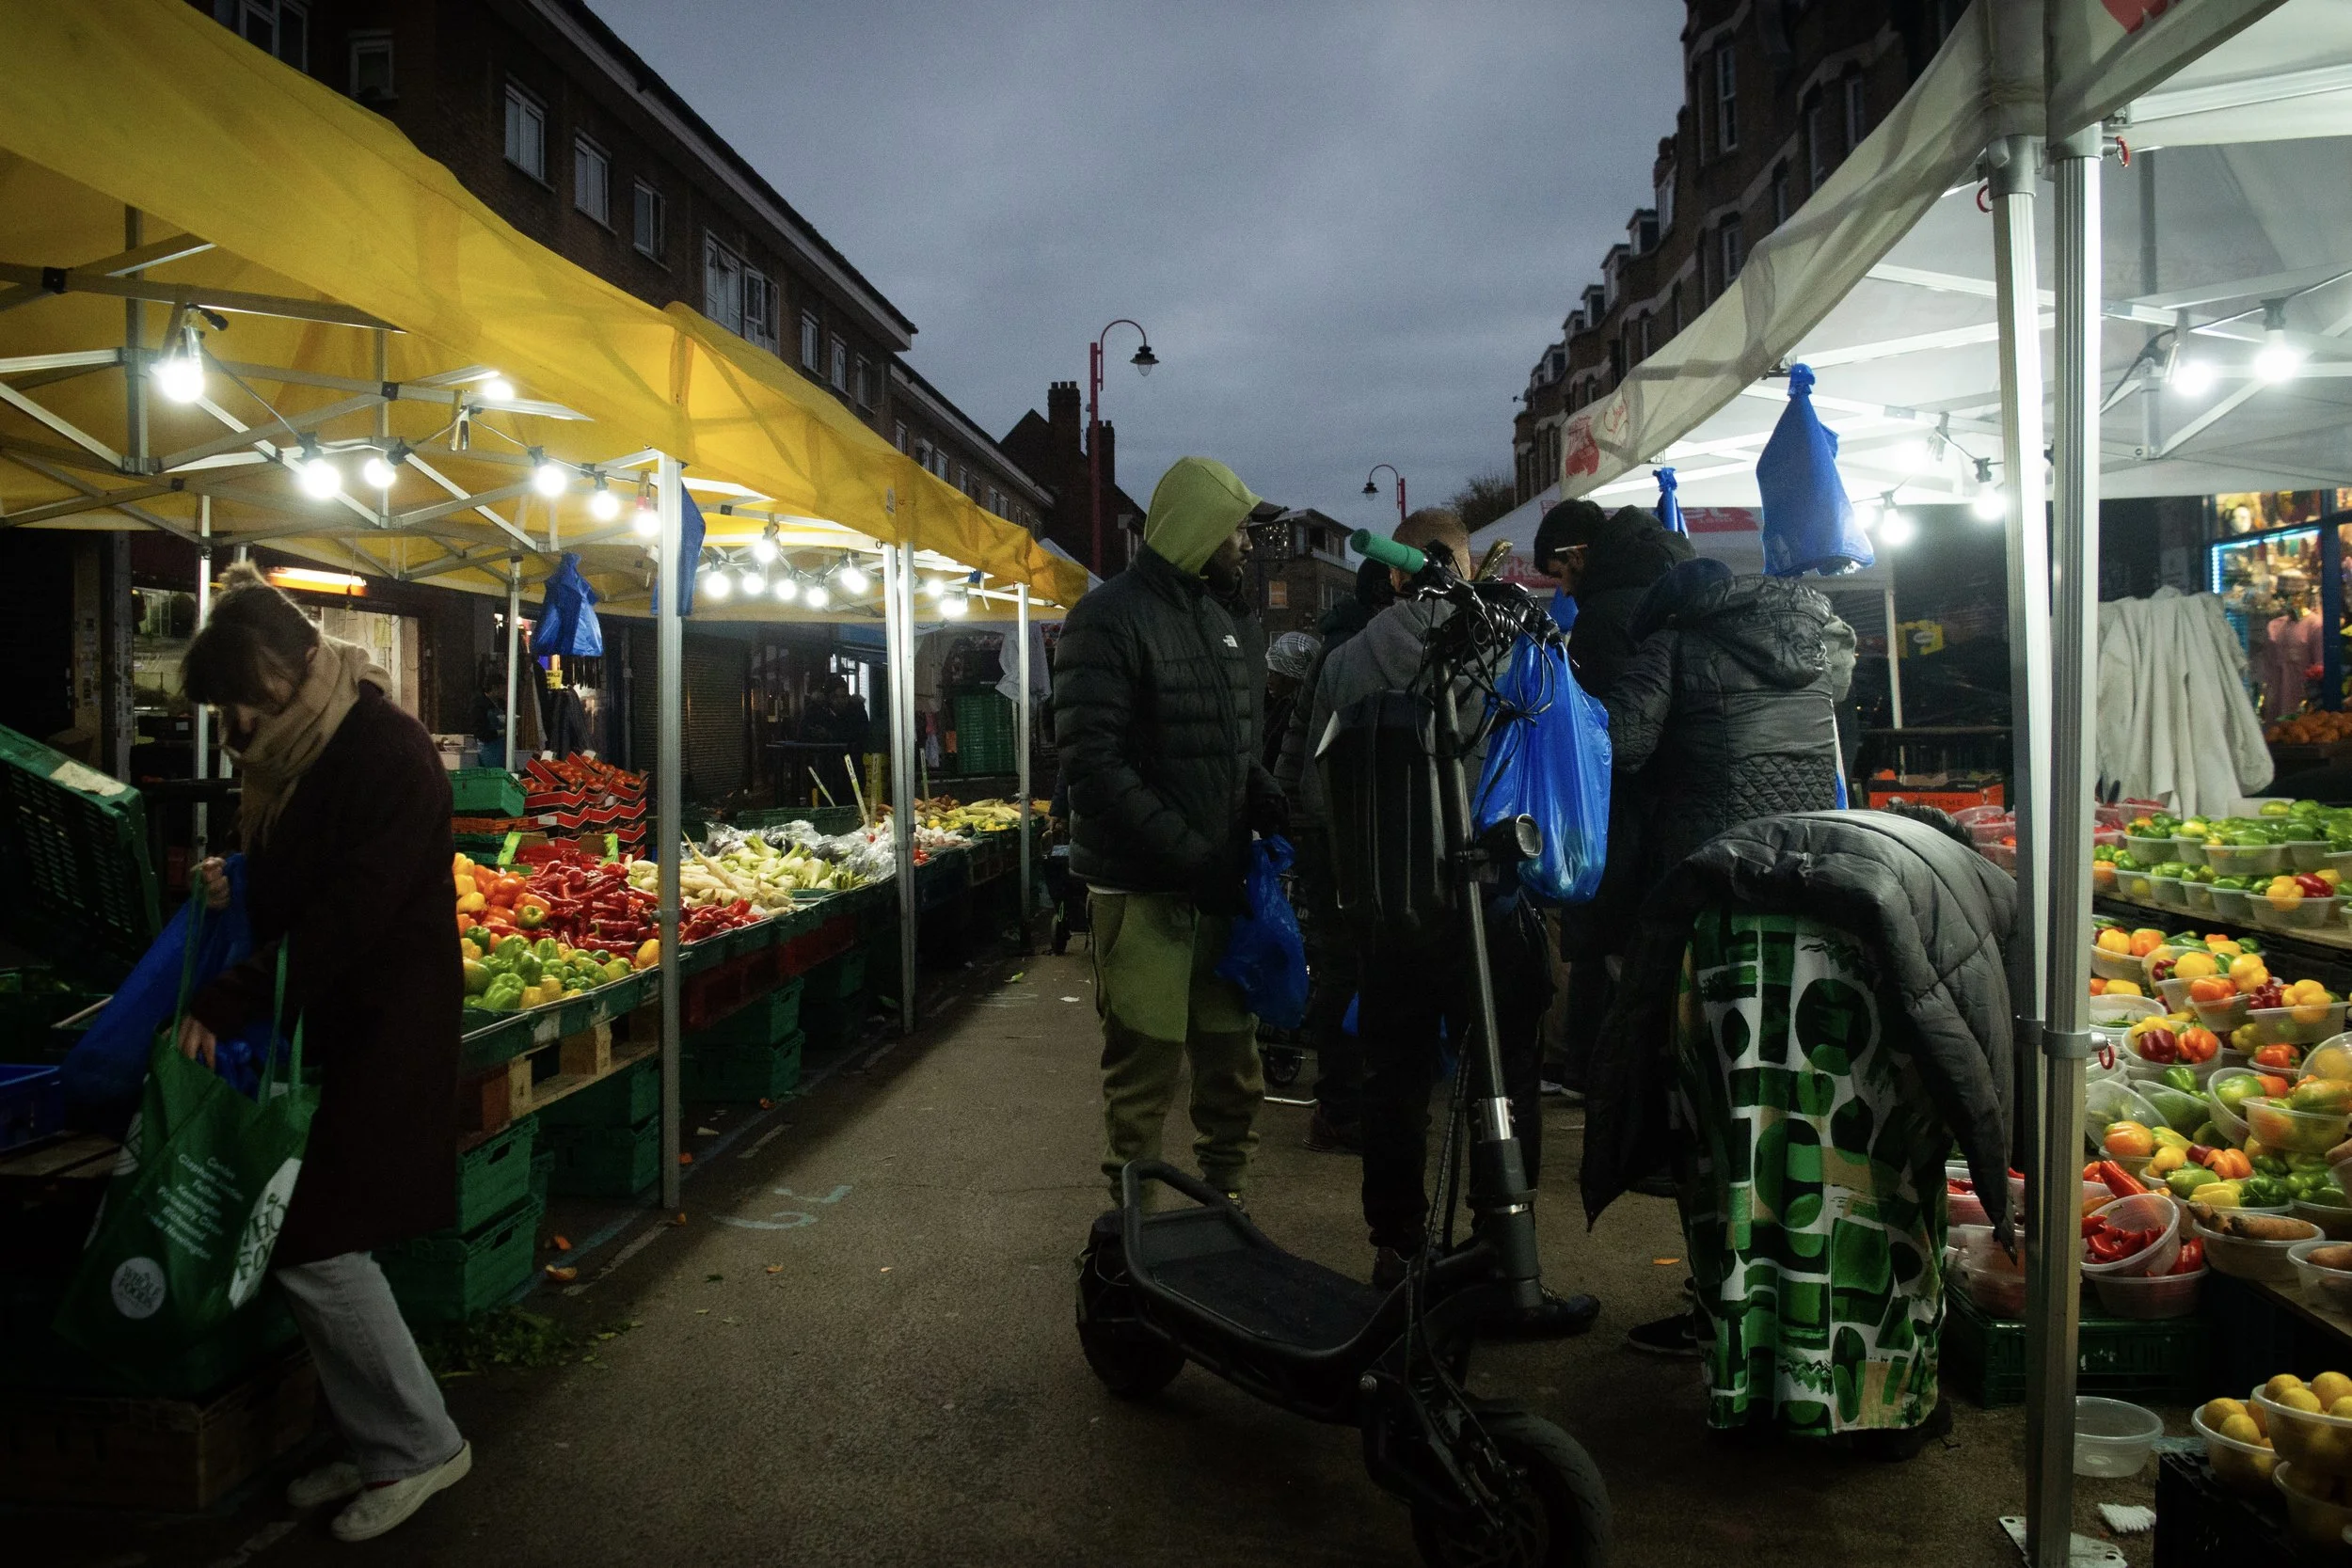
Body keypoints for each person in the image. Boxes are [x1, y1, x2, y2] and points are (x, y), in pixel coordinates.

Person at [175, 563, 469, 1542]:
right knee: (330, 1233)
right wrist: (243, 878)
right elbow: (309, 871)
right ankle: (378, 1428)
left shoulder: (384, 749)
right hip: (326, 1022)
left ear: (300, 663)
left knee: (313, 1236)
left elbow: (352, 909)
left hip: (387, 1018)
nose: (242, 721)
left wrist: (231, 992)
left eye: (249, 694)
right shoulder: (299, 754)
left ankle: (419, 1443)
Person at [1581, 804, 2015, 1453]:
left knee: (1735, 1160)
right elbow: (1977, 1053)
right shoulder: (1988, 892)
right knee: (1876, 1173)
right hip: (1864, 945)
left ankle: (1745, 1391)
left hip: (1718, 932)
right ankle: (1879, 1407)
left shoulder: (1878, 837)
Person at [1300, 509, 1597, 1334]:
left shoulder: (1346, 661)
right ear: (1464, 567)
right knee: (1503, 1079)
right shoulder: (1510, 646)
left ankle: (1395, 1249)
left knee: (1393, 1081)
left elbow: (1318, 798)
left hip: (1391, 910)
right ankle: (1501, 1252)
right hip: (1491, 901)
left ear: (1397, 572)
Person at [1054, 455, 1286, 1204]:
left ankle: (1230, 1203)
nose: (1247, 544)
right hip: (1143, 891)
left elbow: (1228, 744)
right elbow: (1094, 766)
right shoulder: (1107, 617)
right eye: (1238, 529)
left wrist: (1262, 796)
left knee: (1231, 1063)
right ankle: (1137, 1232)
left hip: (1216, 887)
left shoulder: (1224, 618)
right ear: (1199, 528)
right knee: (1143, 1071)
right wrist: (1193, 859)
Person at [1529, 499, 1694, 1104]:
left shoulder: (1607, 613)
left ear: (1578, 555)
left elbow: (1608, 731)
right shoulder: (1662, 584)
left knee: (1620, 948)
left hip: (1628, 805)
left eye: (1561, 572)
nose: (1564, 587)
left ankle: (1631, 1094)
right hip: (1678, 800)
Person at [1272, 562, 1395, 1154]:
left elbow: (1300, 747)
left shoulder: (1336, 646)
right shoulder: (1359, 652)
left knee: (1341, 963)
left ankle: (1341, 1103)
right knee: (1351, 965)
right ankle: (1344, 1105)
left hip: (1324, 829)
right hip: (1342, 830)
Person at [1263, 631, 1320, 771]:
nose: (1269, 680)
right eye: (1268, 672)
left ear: (1294, 677)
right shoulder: (1272, 709)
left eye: (1276, 673)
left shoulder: (1297, 717)